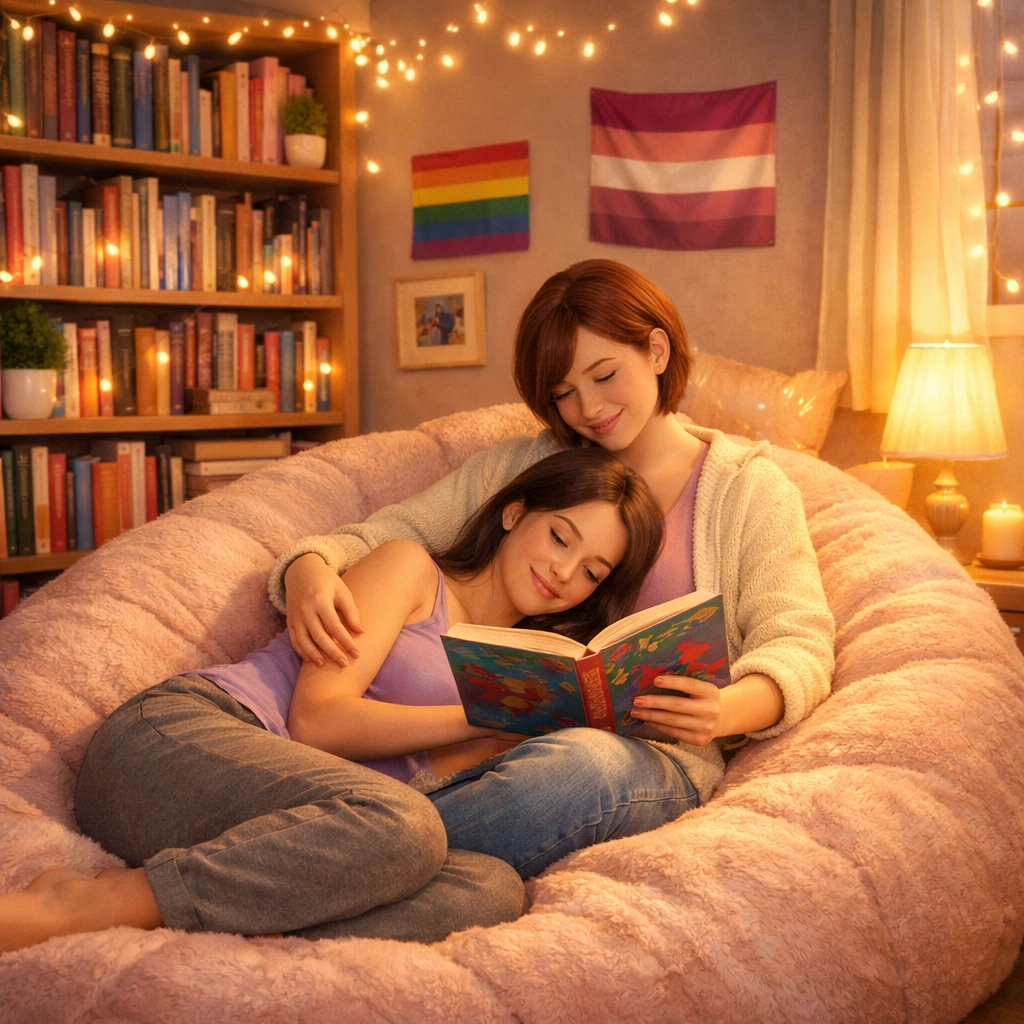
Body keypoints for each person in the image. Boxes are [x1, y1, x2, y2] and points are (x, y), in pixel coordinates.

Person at [274, 258, 836, 880]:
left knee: (577, 768)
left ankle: (315, 869)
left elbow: (800, 642)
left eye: (603, 376)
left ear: (655, 350)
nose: (588, 409)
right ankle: (377, 870)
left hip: (646, 757)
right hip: (492, 747)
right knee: (521, 776)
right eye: (563, 394)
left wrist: (727, 711)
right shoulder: (531, 468)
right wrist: (309, 565)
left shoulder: (747, 490)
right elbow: (383, 535)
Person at [0, 449, 663, 954]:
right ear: (516, 513)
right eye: (560, 537)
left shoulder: (524, 671)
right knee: (406, 826)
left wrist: (525, 729)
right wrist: (490, 717)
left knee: (488, 889)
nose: (563, 572)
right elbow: (315, 721)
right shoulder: (411, 570)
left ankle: (199, 904)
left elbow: (414, 781)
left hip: (263, 829)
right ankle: (87, 906)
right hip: (175, 745)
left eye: (592, 572)